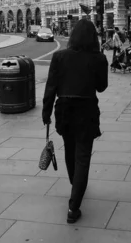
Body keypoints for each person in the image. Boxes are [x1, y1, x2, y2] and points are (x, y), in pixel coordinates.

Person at [42, 19, 108, 224]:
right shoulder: (99, 58)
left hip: (65, 109)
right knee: (83, 157)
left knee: (70, 152)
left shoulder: (59, 56)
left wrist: (46, 113)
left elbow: (51, 87)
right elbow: (101, 87)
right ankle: (74, 206)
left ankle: (75, 187)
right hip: (87, 109)